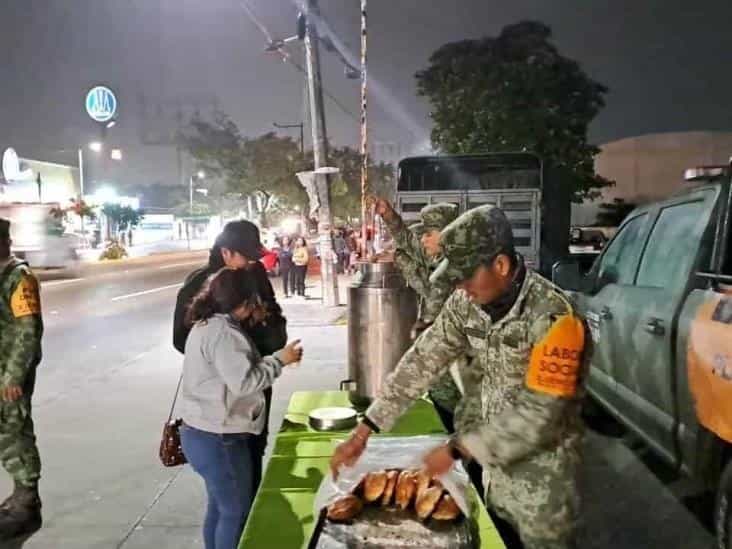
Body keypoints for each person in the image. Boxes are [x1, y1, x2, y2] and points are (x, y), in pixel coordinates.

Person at [330, 205, 588, 549]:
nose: (461, 287)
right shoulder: (467, 302)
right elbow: (422, 359)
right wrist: (366, 429)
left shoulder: (556, 320)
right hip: (494, 480)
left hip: (543, 492)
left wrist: (457, 448)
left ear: (500, 265)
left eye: (467, 276)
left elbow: (540, 414)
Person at [181, 267, 303, 549]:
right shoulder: (224, 333)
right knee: (236, 512)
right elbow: (245, 382)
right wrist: (279, 360)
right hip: (219, 437)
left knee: (220, 507)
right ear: (246, 301)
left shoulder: (208, 324)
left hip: (202, 433)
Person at [173, 220, 287, 488]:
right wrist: (226, 355)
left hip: (255, 385)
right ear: (225, 252)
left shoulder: (255, 275)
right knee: (228, 487)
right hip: (218, 403)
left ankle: (244, 516)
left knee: (252, 456)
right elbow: (181, 339)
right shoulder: (199, 284)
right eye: (246, 256)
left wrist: (264, 335)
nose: (251, 262)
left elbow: (274, 317)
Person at [370, 197, 462, 433]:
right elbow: (408, 241)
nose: (423, 238)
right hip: (443, 366)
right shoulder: (439, 259)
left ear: (448, 234)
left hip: (456, 367)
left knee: (457, 416)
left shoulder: (454, 270)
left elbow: (430, 308)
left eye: (429, 233)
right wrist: (388, 215)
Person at [0, 218, 44, 540]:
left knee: (16, 430)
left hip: (8, 374)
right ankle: (18, 496)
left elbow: (28, 330)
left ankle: (27, 499)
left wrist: (14, 375)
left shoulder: (20, 278)